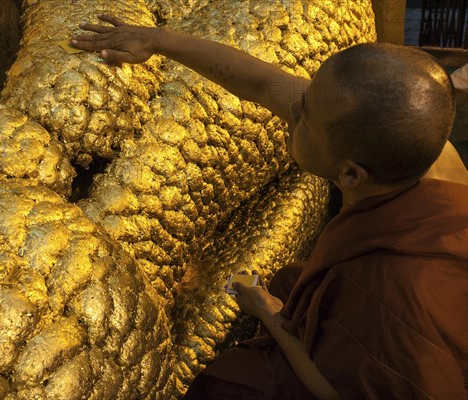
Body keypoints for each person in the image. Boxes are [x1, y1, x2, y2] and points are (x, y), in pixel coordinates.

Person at [72, 15, 468, 399]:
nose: (293, 110)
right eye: (307, 95)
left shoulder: (391, 291)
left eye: (306, 118)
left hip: (388, 352)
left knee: (231, 382)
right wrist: (155, 40)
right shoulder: (406, 149)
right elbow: (262, 84)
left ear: (350, 176)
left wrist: (270, 315)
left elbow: (334, 389)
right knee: (294, 284)